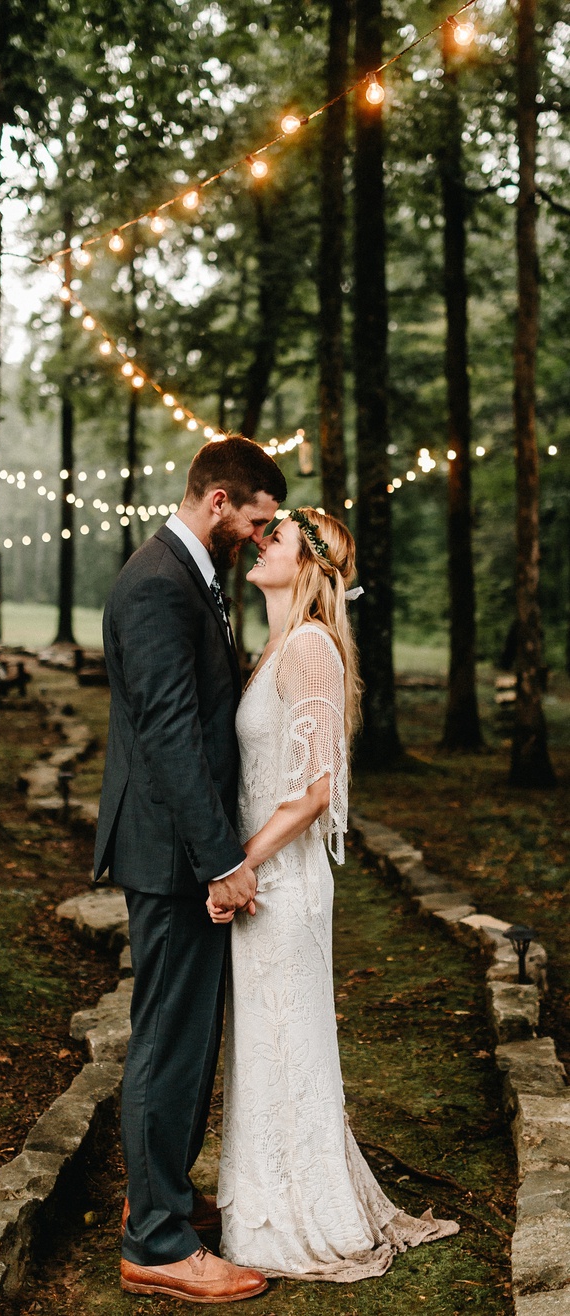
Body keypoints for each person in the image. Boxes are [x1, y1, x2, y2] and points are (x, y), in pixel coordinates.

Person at [208, 507, 459, 1280]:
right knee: (259, 1043)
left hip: (278, 881)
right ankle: (260, 1203)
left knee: (285, 1041)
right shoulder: (278, 648)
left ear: (311, 564)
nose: (260, 539)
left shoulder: (312, 648)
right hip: (260, 876)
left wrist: (234, 863)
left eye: (275, 536)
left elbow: (318, 790)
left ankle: (300, 1211)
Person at [94, 436, 286, 1303]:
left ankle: (162, 1192)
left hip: (183, 851)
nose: (257, 535)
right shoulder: (155, 584)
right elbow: (170, 737)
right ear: (219, 502)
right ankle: (158, 1243)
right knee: (169, 1040)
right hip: (173, 855)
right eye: (254, 519)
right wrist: (221, 863)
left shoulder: (190, 574)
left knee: (186, 1035)